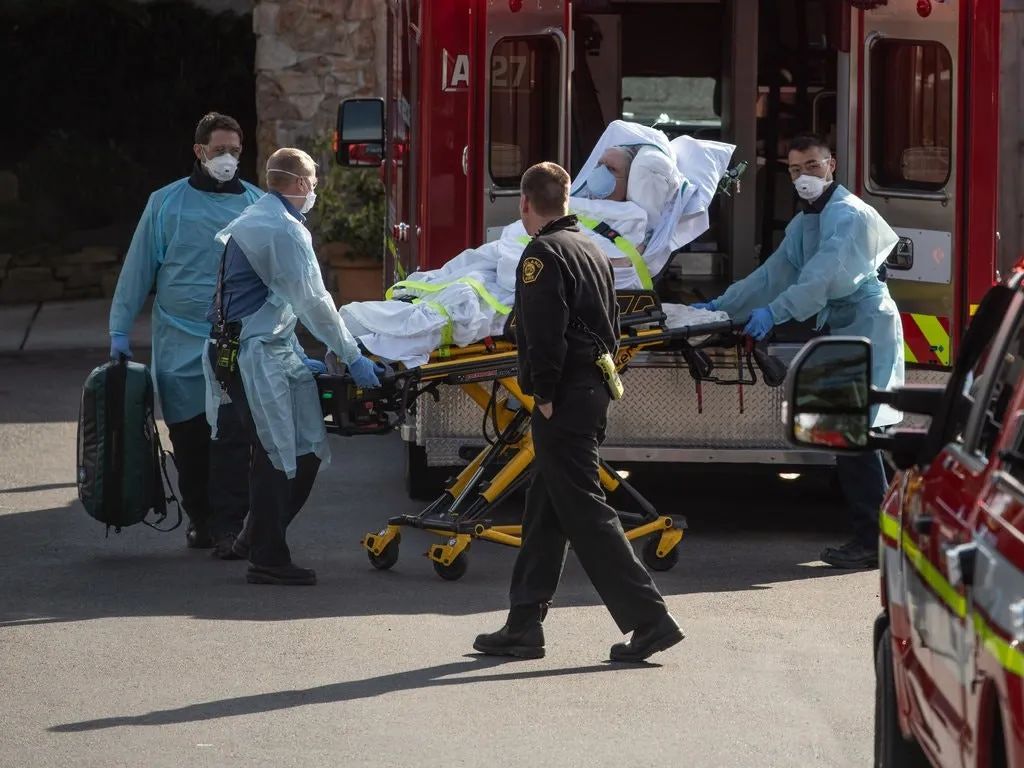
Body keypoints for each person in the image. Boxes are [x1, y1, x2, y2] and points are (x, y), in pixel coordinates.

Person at [473, 162, 683, 661]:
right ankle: (524, 624)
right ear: (566, 201)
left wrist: (543, 392)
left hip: (563, 397)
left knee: (586, 511)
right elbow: (610, 326)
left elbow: (543, 331)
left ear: (525, 204)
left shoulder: (541, 254)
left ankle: (651, 620)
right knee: (544, 510)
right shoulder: (592, 248)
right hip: (591, 389)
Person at [693, 133, 903, 569]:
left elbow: (821, 279)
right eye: (794, 169)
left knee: (854, 435)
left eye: (812, 165)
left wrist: (775, 313)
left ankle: (873, 540)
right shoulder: (809, 220)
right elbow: (773, 274)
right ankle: (883, 536)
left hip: (865, 326)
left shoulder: (847, 215)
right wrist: (723, 306)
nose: (803, 176)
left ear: (832, 165)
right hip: (849, 326)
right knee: (857, 435)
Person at [204, 147, 382, 586]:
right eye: (313, 182)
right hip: (252, 355)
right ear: (301, 183)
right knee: (277, 453)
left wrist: (300, 354)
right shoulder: (281, 229)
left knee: (306, 446)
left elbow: (276, 299)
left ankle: (255, 536)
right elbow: (313, 302)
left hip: (266, 348)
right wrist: (353, 355)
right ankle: (267, 557)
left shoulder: (261, 219)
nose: (314, 189)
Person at [108, 112, 262, 554]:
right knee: (190, 438)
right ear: (199, 151)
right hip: (179, 339)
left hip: (234, 339)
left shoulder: (256, 205)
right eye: (219, 150)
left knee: (232, 438)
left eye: (235, 151)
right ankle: (201, 517)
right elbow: (139, 267)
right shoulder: (166, 203)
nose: (228, 158)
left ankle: (229, 527)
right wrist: (120, 328)